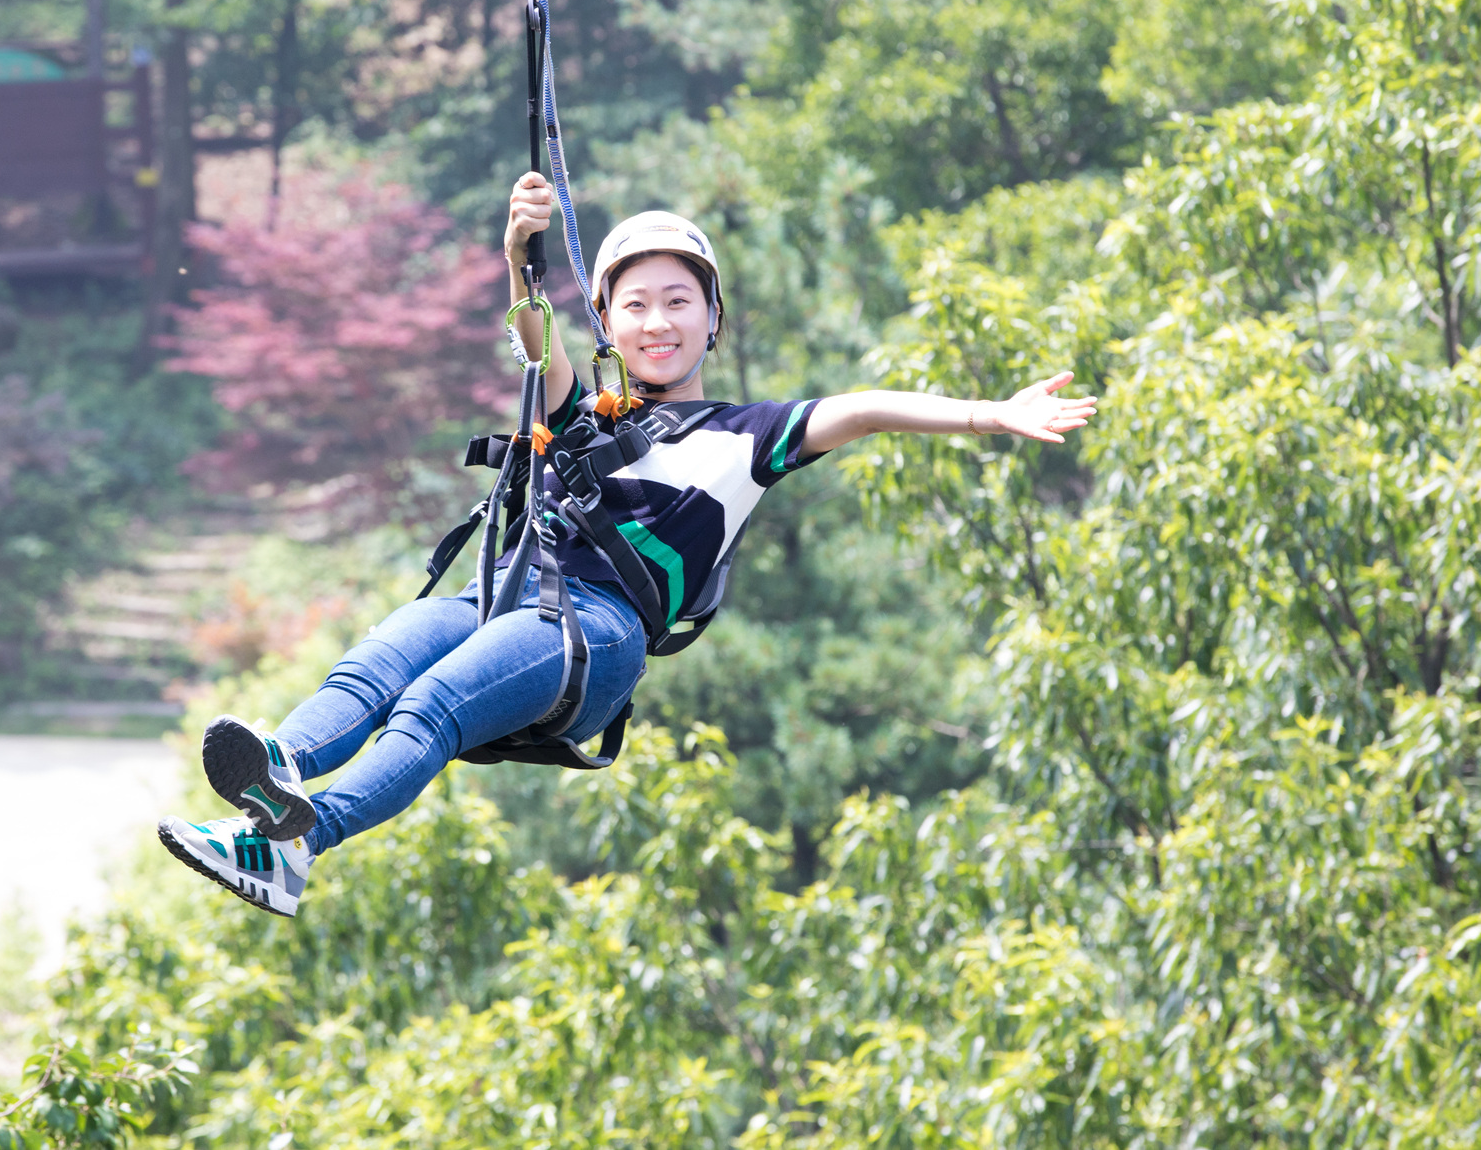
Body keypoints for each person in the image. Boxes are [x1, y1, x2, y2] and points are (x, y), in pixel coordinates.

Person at [158, 172, 1097, 916]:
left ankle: (300, 845)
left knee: (435, 700)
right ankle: (275, 786)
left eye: (679, 301)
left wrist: (989, 415)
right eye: (637, 305)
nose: (659, 321)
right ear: (608, 322)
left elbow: (859, 409)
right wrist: (519, 253)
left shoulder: (746, 434)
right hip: (510, 600)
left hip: (597, 636)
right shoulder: (581, 414)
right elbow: (534, 337)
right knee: (379, 660)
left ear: (712, 320)